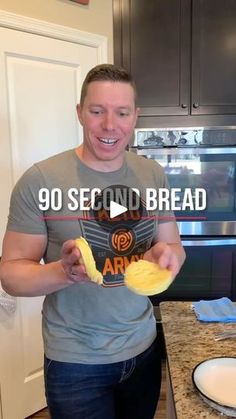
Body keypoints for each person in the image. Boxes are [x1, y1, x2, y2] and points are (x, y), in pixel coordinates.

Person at [0, 64, 185, 419]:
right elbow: (10, 275)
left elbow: (173, 247)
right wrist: (64, 272)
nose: (110, 125)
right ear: (80, 113)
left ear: (136, 116)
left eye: (122, 112)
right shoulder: (40, 180)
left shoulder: (152, 174)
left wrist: (168, 256)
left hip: (144, 349)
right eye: (97, 111)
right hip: (75, 363)